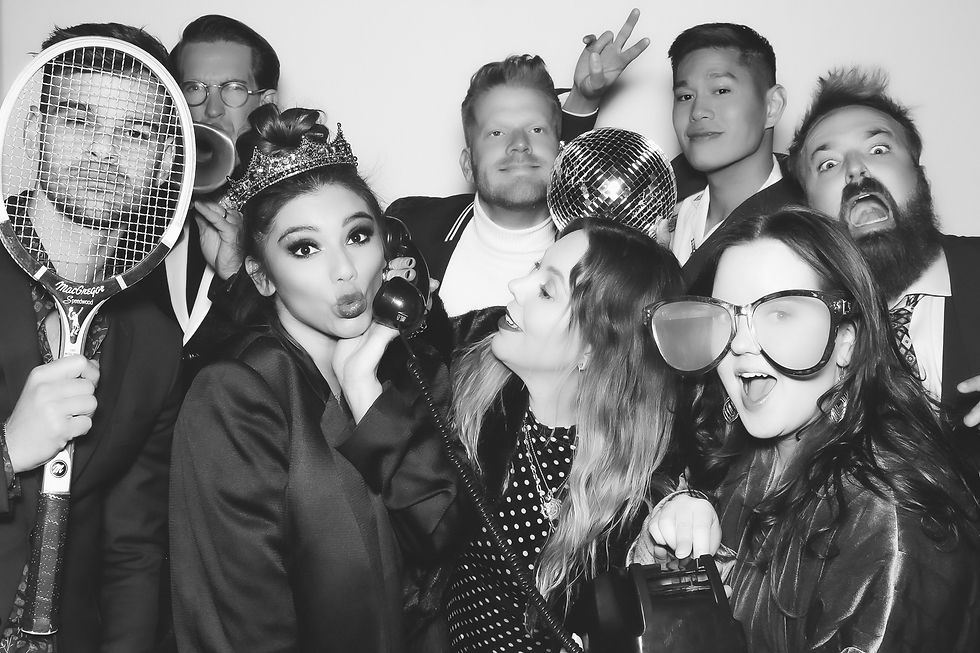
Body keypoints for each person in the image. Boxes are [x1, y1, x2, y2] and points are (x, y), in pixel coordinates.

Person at [168, 105, 463, 653]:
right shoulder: (236, 395)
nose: (344, 271)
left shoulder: (415, 368)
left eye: (357, 236)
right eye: (304, 248)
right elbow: (233, 624)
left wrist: (368, 398)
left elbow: (445, 542)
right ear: (260, 274)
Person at [647, 208, 980, 651]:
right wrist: (671, 557)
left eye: (780, 313)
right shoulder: (746, 456)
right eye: (724, 316)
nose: (740, 344)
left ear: (846, 342)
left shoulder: (889, 522)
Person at [0, 23, 182, 652]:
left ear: (164, 158)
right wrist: (8, 451)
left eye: (135, 133)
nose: (105, 154)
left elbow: (131, 549)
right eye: (79, 121)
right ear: (34, 132)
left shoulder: (157, 343)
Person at [445, 218, 705, 651]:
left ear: (594, 348)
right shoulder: (464, 392)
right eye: (533, 269)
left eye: (546, 290)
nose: (515, 285)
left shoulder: (642, 479)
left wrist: (687, 509)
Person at [388, 9, 648, 317]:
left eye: (536, 130)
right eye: (496, 132)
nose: (520, 144)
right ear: (468, 164)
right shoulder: (411, 229)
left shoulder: (600, 259)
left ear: (562, 153)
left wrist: (583, 97)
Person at [788, 67, 980, 464]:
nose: (856, 169)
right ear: (808, 207)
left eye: (878, 149)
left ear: (920, 176)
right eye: (827, 164)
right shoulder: (795, 328)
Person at [141, 14, 280, 387]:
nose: (212, 109)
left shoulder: (294, 217)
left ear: (266, 103)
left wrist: (237, 278)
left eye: (233, 89)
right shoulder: (135, 206)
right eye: (194, 89)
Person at [665, 23, 802, 287]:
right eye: (684, 96)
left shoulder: (803, 221)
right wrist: (584, 102)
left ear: (772, 106)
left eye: (721, 91)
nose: (697, 111)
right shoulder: (666, 190)